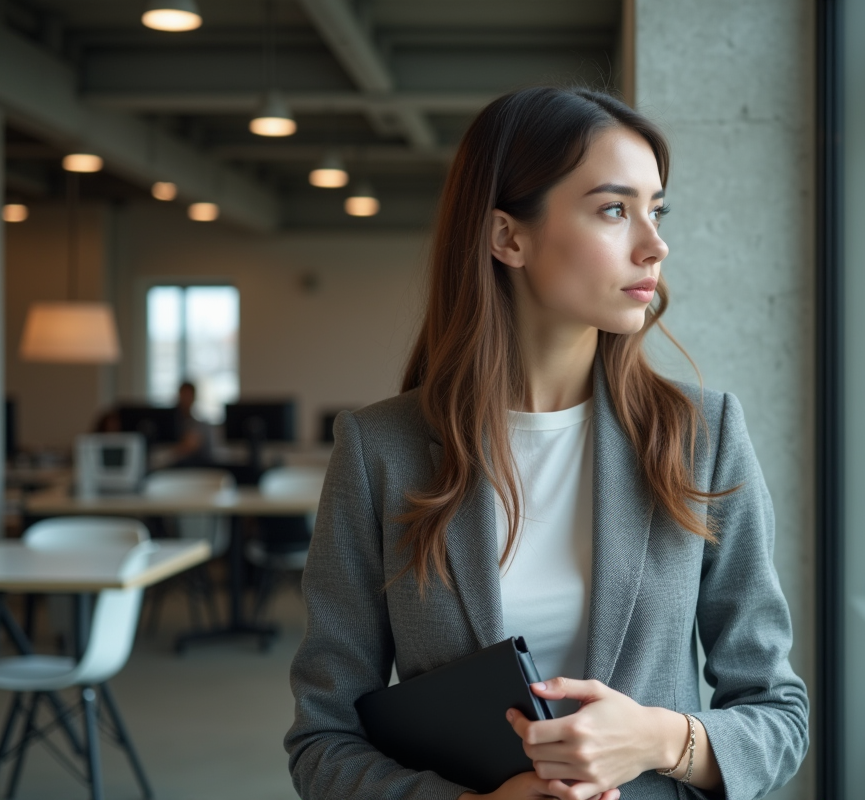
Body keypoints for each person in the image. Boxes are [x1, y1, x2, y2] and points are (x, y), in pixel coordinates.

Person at [285, 87, 809, 800]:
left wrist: (660, 740)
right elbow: (323, 741)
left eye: (657, 210)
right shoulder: (381, 451)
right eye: (614, 209)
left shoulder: (701, 436)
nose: (655, 244)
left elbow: (779, 717)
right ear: (508, 238)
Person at [169, 380, 214, 467]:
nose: (185, 399)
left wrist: (168, 455)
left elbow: (189, 446)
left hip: (197, 466)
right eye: (183, 395)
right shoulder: (173, 422)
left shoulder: (199, 424)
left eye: (188, 395)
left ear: (193, 398)